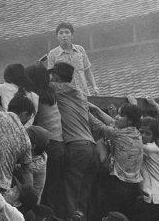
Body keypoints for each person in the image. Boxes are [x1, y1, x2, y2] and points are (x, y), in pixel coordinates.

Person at [49, 62, 98, 220]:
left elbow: (34, 81)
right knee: (82, 196)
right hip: (92, 148)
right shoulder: (81, 94)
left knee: (70, 194)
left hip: (76, 148)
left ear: (56, 76)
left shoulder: (56, 88)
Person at [88, 102, 143, 219]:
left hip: (118, 184)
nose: (117, 117)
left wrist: (82, 108)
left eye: (121, 115)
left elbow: (98, 125)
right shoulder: (135, 132)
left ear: (130, 121)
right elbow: (113, 122)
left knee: (106, 215)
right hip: (133, 186)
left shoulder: (117, 134)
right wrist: (97, 108)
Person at [25, 64, 65, 211]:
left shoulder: (35, 96)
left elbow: (29, 121)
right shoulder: (50, 94)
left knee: (42, 188)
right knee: (52, 189)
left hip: (48, 145)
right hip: (60, 145)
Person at [0, 89, 34, 192]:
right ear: (24, 114)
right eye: (28, 118)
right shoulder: (25, 139)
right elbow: (27, 170)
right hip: (3, 187)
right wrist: (29, 194)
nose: (26, 123)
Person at [47, 22, 99, 96]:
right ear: (57, 37)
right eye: (61, 33)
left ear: (72, 35)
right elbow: (51, 78)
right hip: (66, 98)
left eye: (67, 32)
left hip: (84, 94)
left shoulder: (80, 50)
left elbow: (87, 70)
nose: (64, 35)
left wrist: (94, 86)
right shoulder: (52, 54)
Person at [134, 115, 159, 221]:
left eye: (148, 133)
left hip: (153, 198)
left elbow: (128, 144)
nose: (143, 136)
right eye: (141, 132)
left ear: (154, 137)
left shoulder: (150, 148)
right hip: (153, 197)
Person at [24, 126, 50, 202]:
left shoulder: (36, 165)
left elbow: (13, 166)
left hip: (26, 204)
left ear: (33, 146)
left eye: (24, 138)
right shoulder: (39, 153)